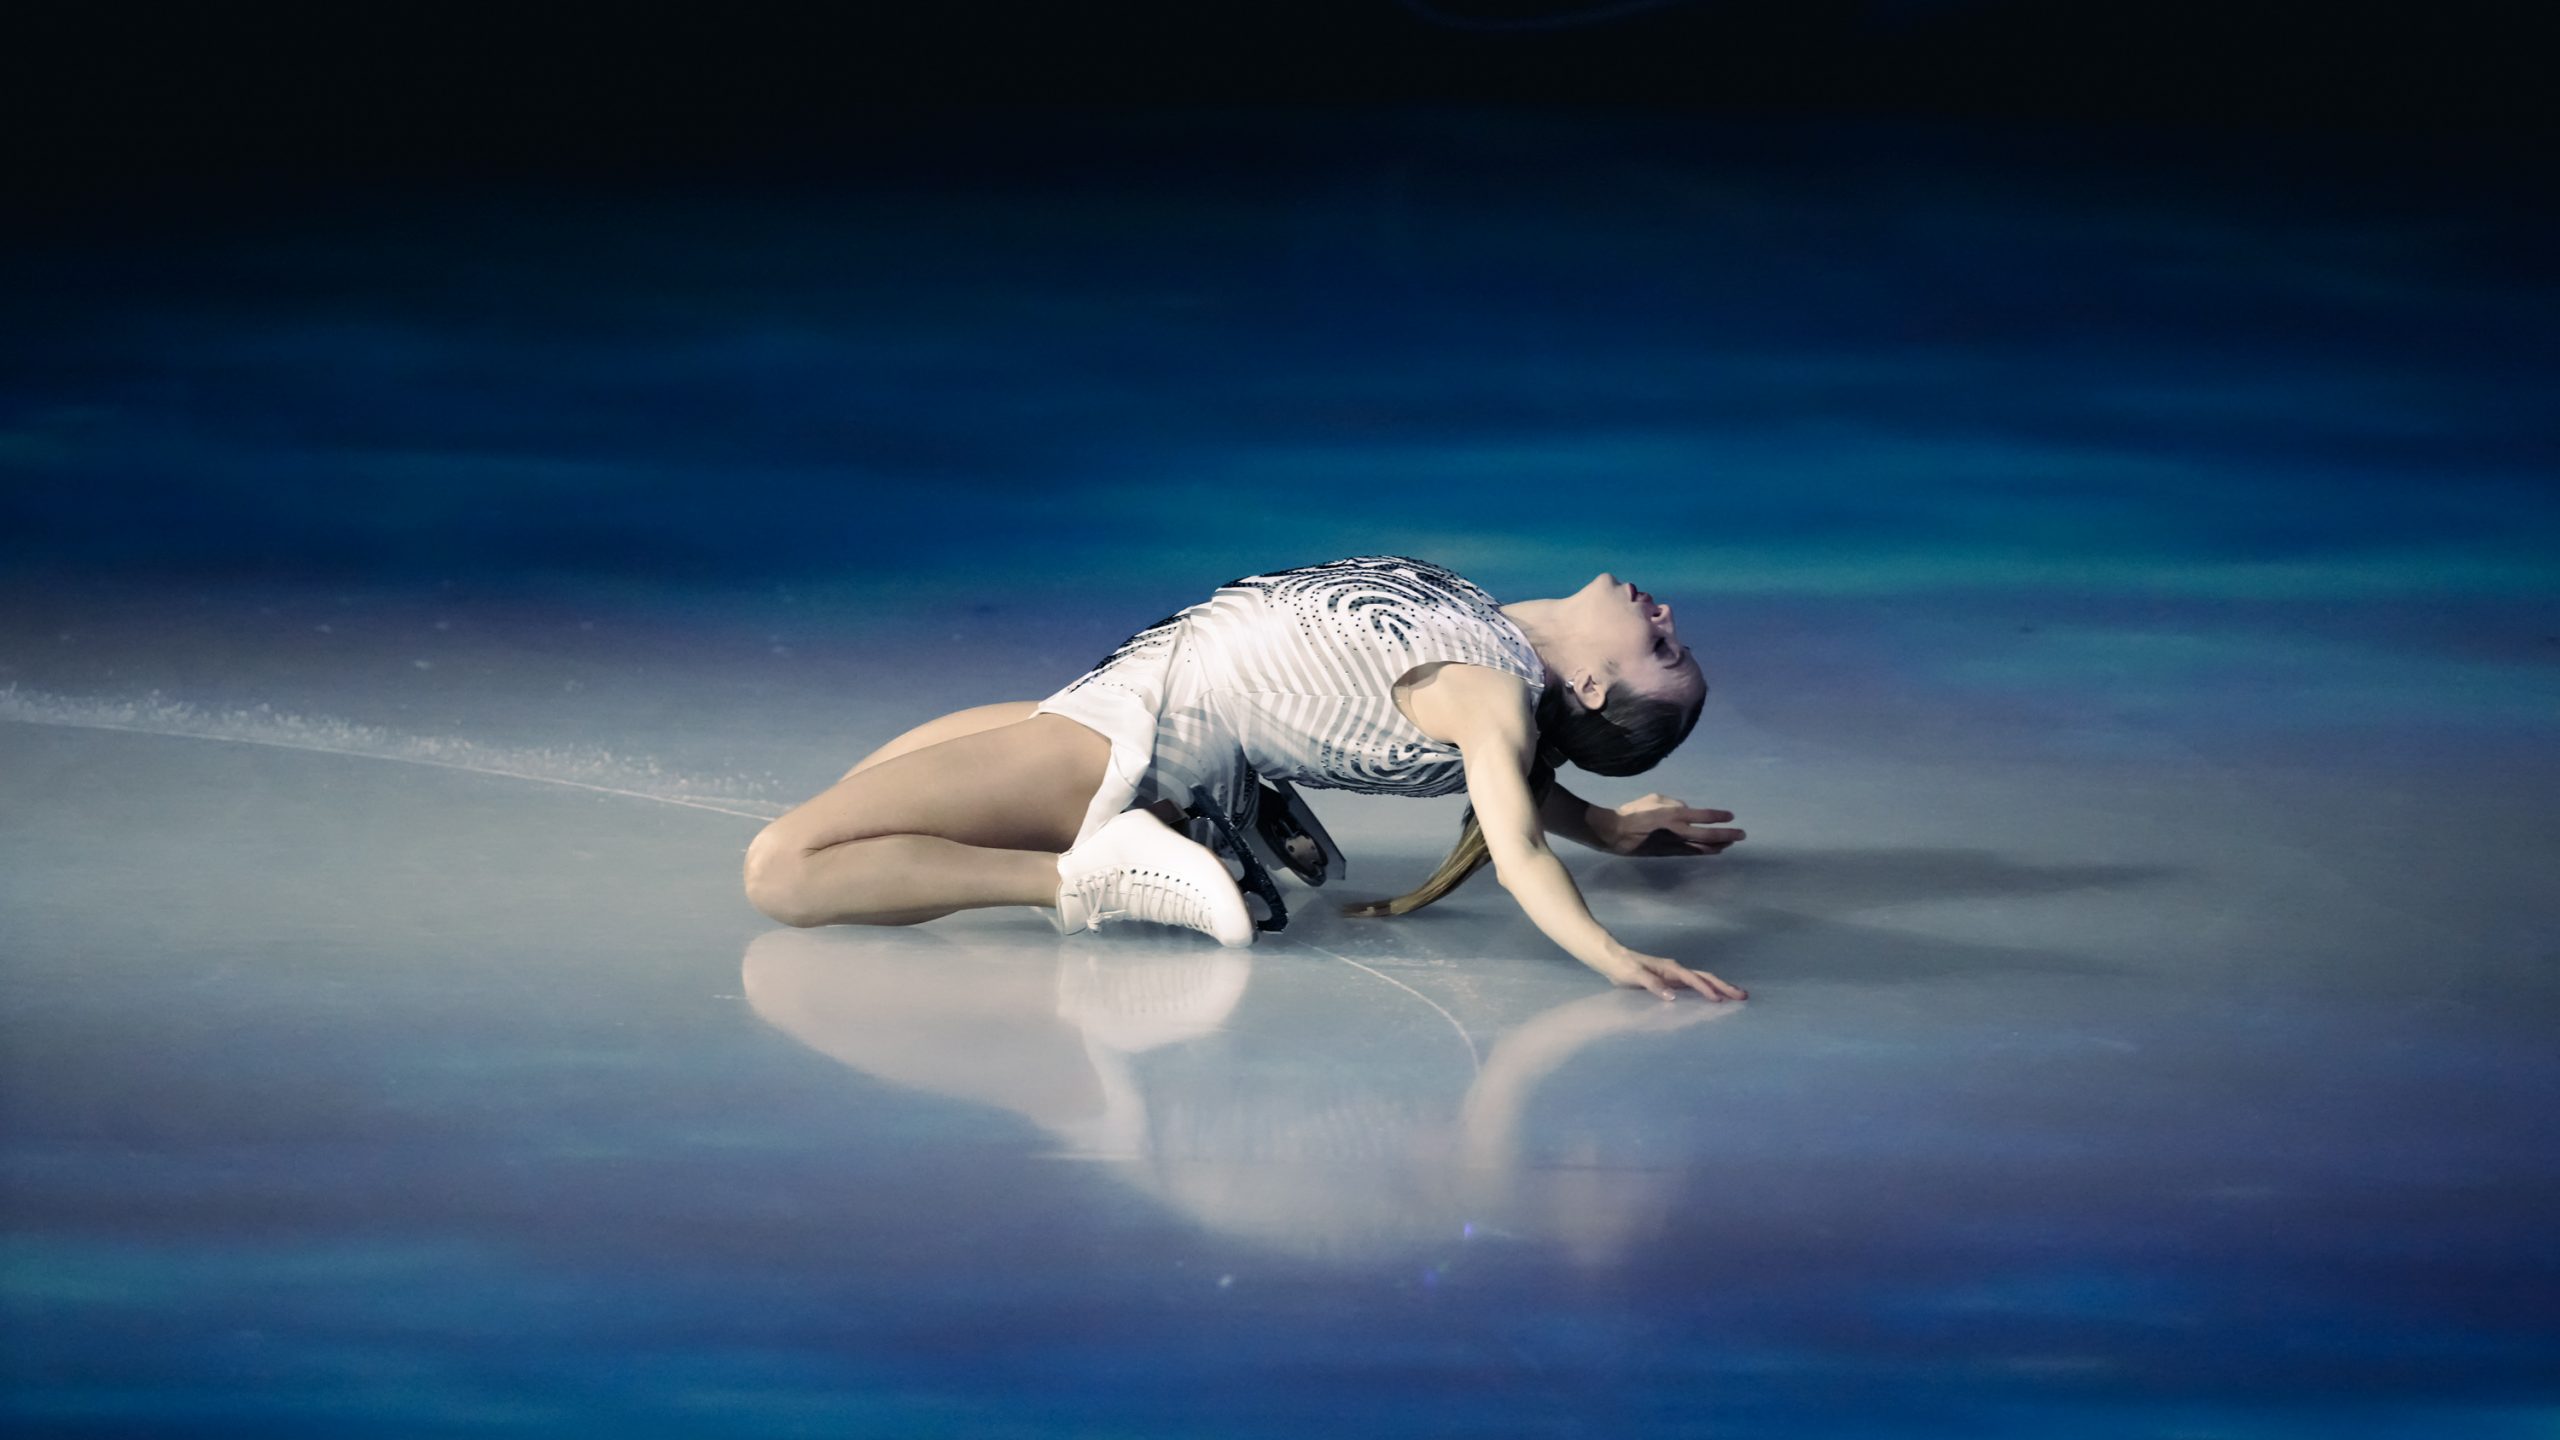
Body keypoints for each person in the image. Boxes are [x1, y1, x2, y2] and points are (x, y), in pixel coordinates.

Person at [742, 555, 1748, 1000]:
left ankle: (1090, 877)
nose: (1665, 619)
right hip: (1120, 702)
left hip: (1134, 741)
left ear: (1590, 684)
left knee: (787, 869)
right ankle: (1169, 838)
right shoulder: (1493, 647)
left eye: (1663, 651)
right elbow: (1507, 787)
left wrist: (1610, 953)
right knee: (868, 812)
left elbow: (1515, 845)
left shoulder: (1488, 692)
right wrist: (1607, 826)